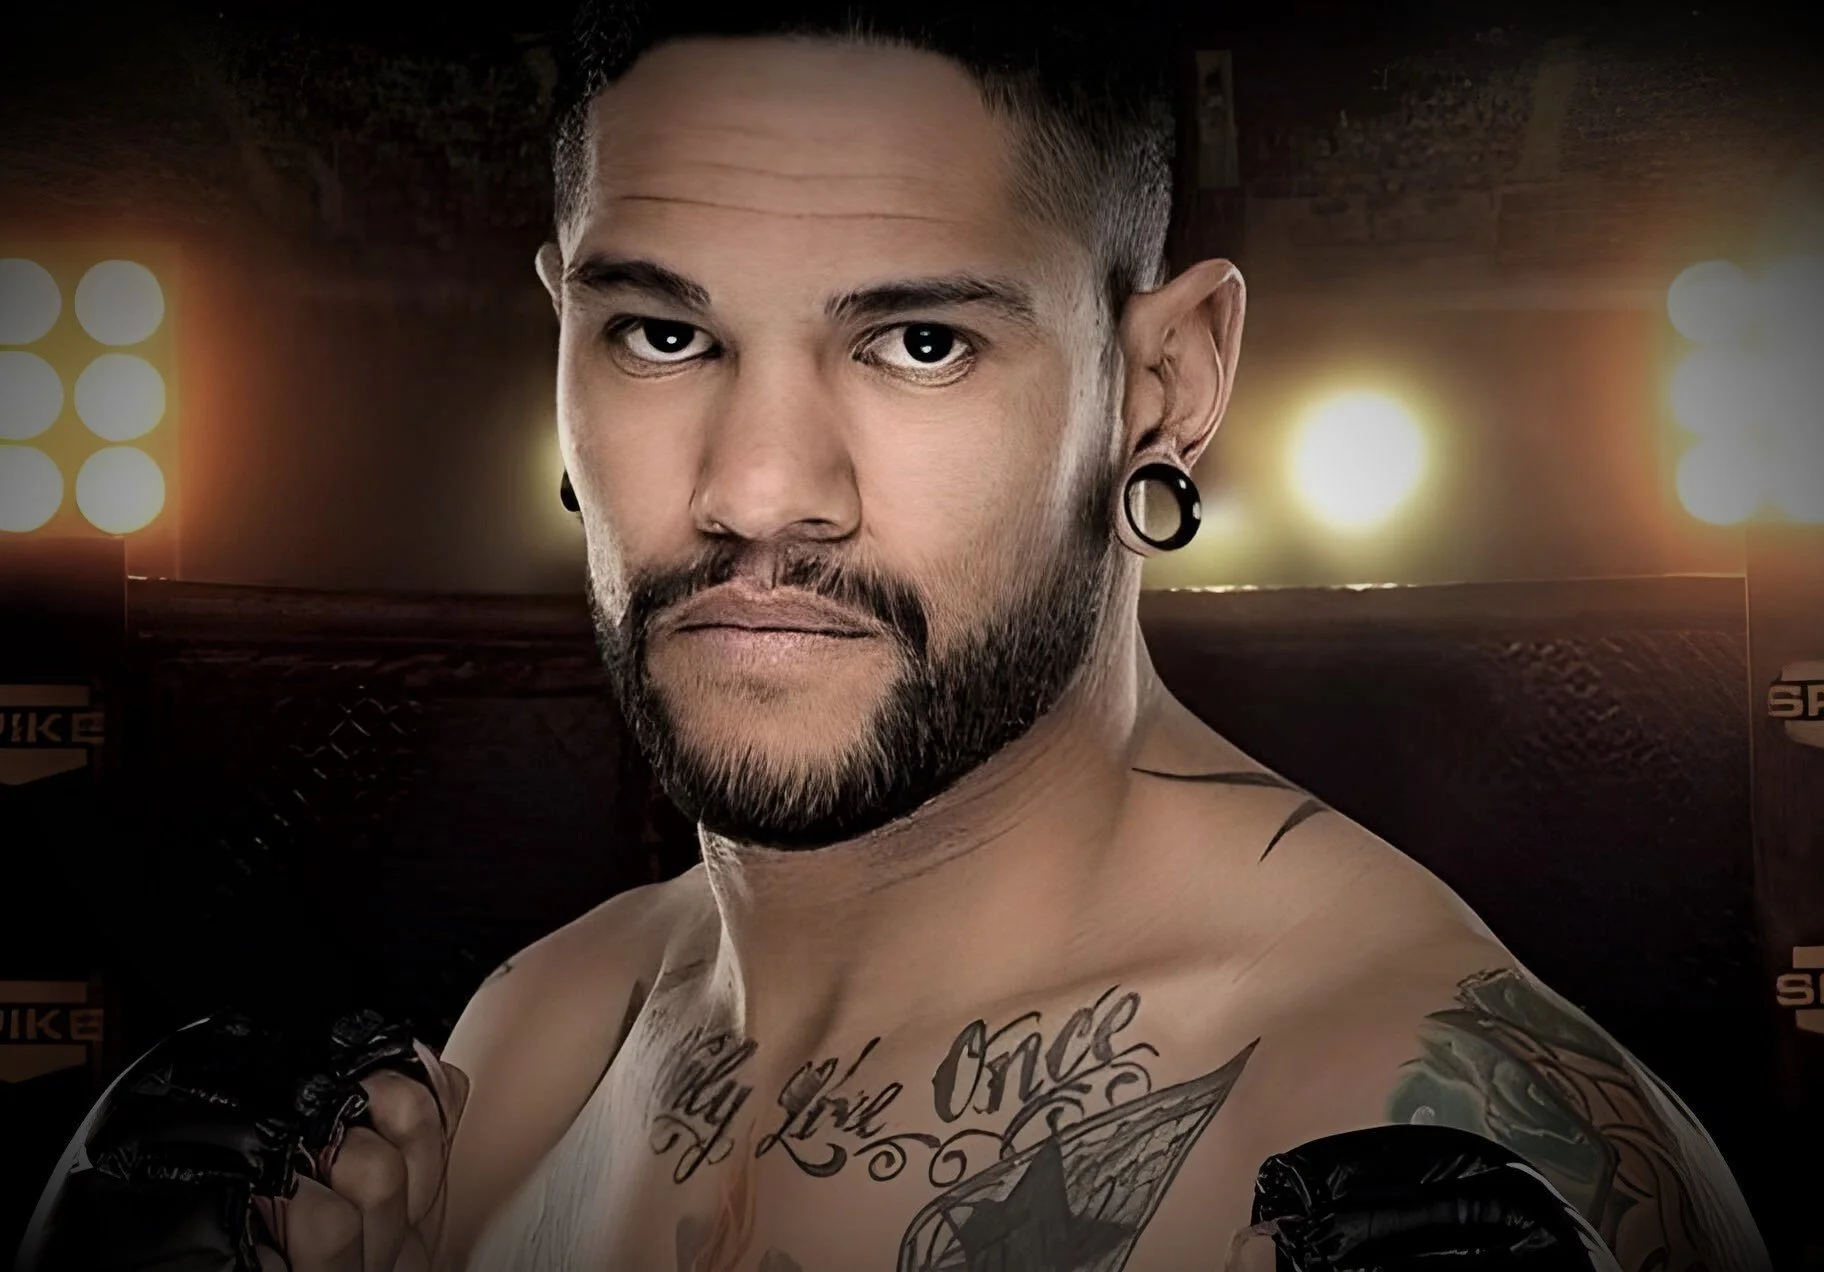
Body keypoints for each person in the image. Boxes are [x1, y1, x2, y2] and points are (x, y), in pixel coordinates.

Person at [23, 2, 1772, 1270]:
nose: (759, 489)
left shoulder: (1420, 1114)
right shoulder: (536, 1042)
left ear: (1161, 383)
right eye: (659, 336)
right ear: (560, 335)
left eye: (919, 342)